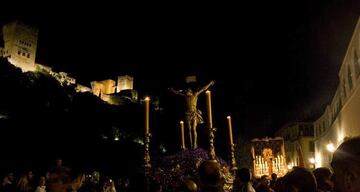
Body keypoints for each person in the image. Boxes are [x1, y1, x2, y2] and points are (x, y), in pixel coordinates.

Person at [169, 80, 215, 149]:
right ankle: (191, 145)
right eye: (186, 91)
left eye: (188, 91)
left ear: (191, 91)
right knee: (189, 129)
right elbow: (177, 93)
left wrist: (209, 84)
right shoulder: (185, 96)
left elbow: (203, 89)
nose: (187, 92)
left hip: (194, 113)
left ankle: (195, 144)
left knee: (193, 129)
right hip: (188, 114)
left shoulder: (195, 95)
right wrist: (172, 90)